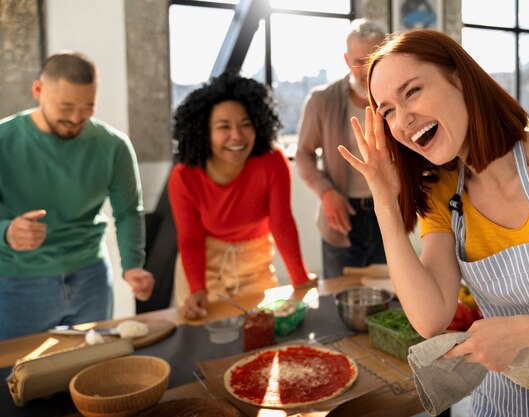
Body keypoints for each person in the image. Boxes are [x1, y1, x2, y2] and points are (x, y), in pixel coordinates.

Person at [339, 29, 529, 415]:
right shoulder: (444, 191)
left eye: (412, 92)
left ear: (460, 79)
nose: (404, 119)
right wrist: (385, 203)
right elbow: (430, 317)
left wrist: (522, 333)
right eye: (387, 110)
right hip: (503, 403)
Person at [0, 51, 154, 340]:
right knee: (13, 377)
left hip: (91, 276)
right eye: (66, 106)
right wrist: (6, 231)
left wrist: (133, 264)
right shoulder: (3, 140)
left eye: (88, 107)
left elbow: (128, 210)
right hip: (15, 281)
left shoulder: (114, 146)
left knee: (89, 370)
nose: (75, 118)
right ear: (38, 90)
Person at [169, 71, 315, 320]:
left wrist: (300, 279)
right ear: (205, 131)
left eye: (246, 124)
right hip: (203, 267)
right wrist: (197, 289)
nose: (237, 135)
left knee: (263, 333)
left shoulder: (272, 161)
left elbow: (281, 223)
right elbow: (190, 239)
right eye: (223, 127)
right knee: (207, 339)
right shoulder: (184, 176)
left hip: (254, 265)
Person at [296, 19, 388, 279]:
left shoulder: (396, 100)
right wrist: (325, 192)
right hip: (341, 214)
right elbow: (303, 154)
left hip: (387, 212)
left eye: (376, 58)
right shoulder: (322, 100)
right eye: (360, 61)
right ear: (347, 60)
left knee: (387, 298)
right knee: (340, 300)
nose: (368, 69)